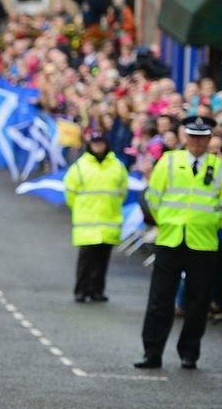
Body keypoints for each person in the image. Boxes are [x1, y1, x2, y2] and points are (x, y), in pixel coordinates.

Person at [135, 116, 222, 370]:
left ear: (209, 139)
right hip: (170, 238)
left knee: (198, 301)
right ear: (185, 137)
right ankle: (152, 352)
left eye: (202, 137)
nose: (197, 142)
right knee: (160, 298)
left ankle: (189, 353)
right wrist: (167, 221)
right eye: (193, 136)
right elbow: (153, 196)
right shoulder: (169, 162)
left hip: (203, 242)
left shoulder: (218, 168)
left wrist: (211, 222)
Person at [63, 131, 128, 303]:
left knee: (102, 260)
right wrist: (80, 208)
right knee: (86, 260)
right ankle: (81, 290)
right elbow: (70, 193)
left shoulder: (117, 165)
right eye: (95, 143)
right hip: (87, 221)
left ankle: (97, 290)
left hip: (109, 219)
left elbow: (123, 191)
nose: (98, 146)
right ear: (90, 145)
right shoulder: (80, 166)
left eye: (101, 143)